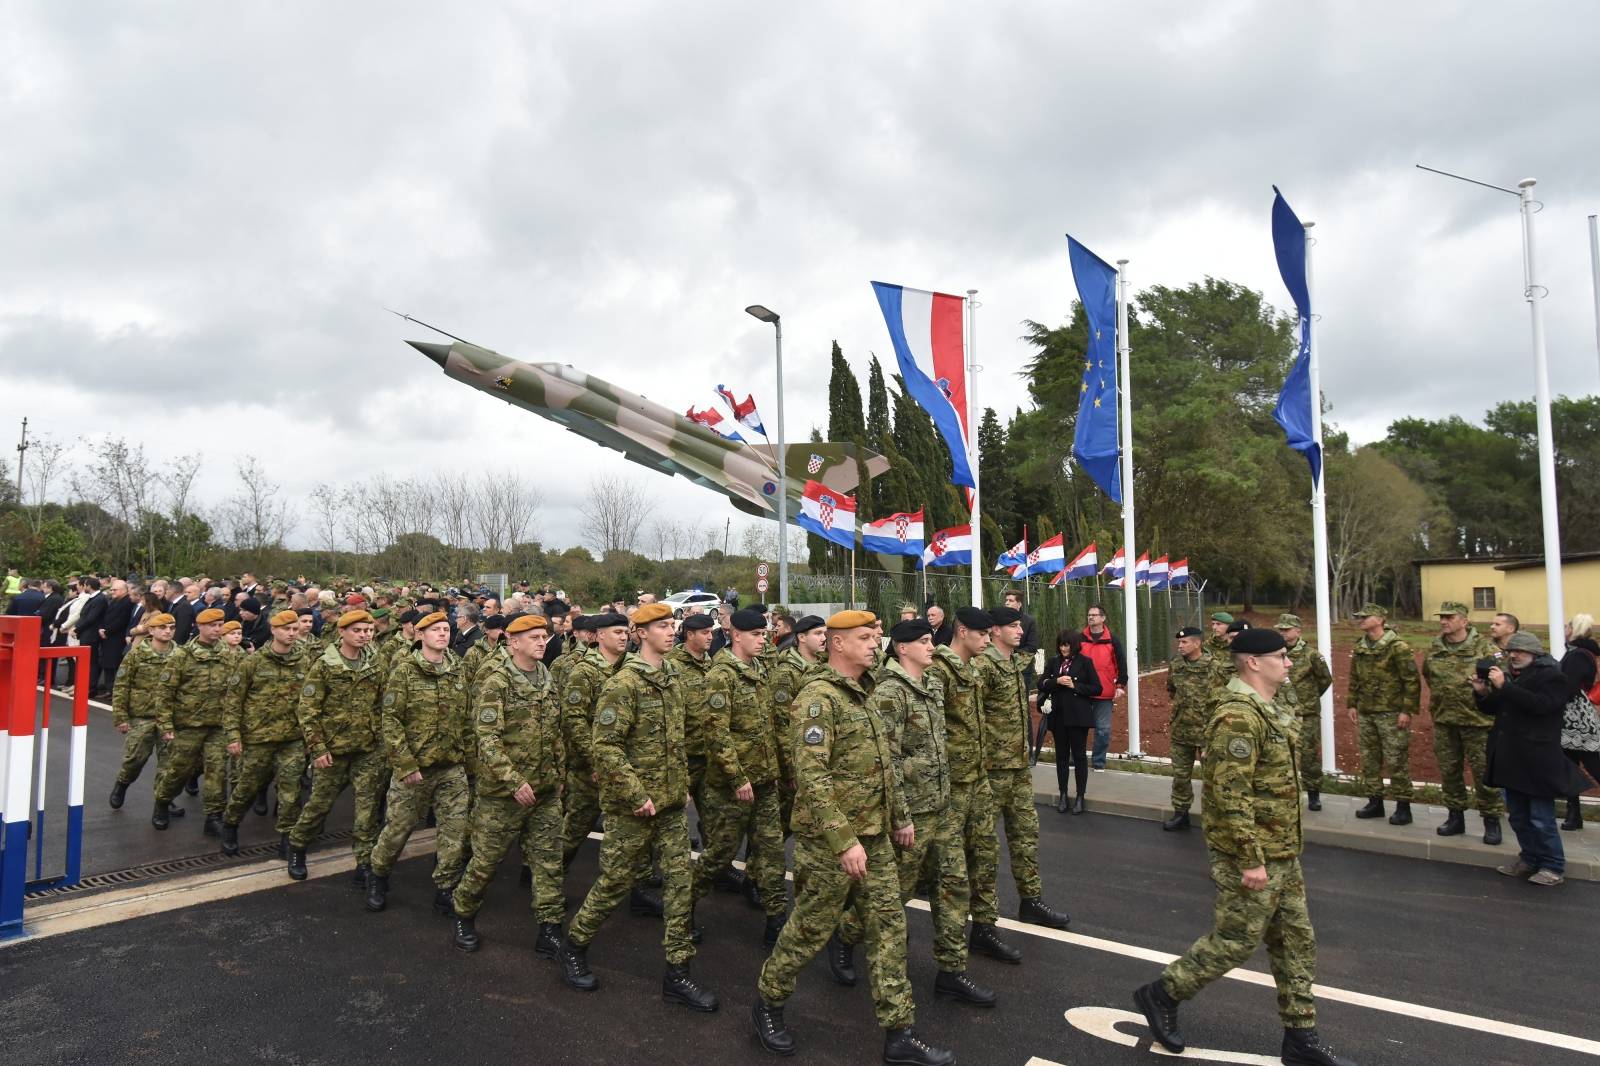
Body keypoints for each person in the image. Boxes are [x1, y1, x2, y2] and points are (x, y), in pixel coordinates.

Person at [1133, 627, 1355, 1066]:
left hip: (1283, 852)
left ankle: (1301, 1038)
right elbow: (1228, 795)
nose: (1289, 663)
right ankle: (1162, 994)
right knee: (1236, 940)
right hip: (1251, 856)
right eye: (1280, 656)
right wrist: (1250, 859)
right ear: (1253, 662)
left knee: (1296, 943)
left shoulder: (1268, 706)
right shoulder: (1237, 716)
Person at [753, 610, 953, 1066]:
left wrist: (900, 818)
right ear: (837, 644)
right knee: (809, 930)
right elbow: (812, 777)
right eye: (865, 637)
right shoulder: (819, 699)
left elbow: (887, 767)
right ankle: (768, 1002)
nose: (874, 642)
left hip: (876, 838)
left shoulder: (867, 692)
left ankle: (900, 1032)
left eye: (876, 636)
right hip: (830, 844)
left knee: (888, 930)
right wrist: (844, 842)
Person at [559, 603, 719, 1012]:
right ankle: (574, 945)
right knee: (614, 883)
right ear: (639, 632)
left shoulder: (671, 679)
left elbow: (677, 741)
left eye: (673, 625)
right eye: (662, 626)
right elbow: (605, 746)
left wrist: (680, 786)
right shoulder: (624, 683)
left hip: (667, 807)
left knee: (680, 886)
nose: (671, 632)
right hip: (632, 808)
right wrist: (636, 794)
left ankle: (678, 975)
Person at [837, 617, 996, 1007]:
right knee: (896, 892)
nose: (931, 646)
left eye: (931, 639)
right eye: (923, 641)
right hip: (913, 815)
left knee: (954, 887)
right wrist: (901, 816)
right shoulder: (890, 693)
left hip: (942, 808)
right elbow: (885, 761)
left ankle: (952, 971)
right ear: (902, 648)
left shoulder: (931, 685)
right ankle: (845, 935)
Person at [451, 614, 566, 956]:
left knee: (548, 862)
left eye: (544, 637)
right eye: (533, 638)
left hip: (544, 791)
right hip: (504, 794)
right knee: (486, 861)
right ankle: (463, 913)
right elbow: (486, 738)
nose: (542, 642)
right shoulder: (497, 680)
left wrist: (558, 775)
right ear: (514, 642)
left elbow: (556, 732)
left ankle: (549, 929)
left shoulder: (546, 676)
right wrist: (513, 780)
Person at [972, 605, 1072, 930]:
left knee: (1026, 836)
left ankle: (1031, 901)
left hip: (1017, 768)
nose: (1019, 630)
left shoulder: (1013, 663)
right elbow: (970, 720)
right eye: (1012, 626)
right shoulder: (982, 666)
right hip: (990, 771)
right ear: (995, 631)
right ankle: (983, 921)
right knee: (983, 847)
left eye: (1019, 625)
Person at [692, 608, 787, 945]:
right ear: (736, 635)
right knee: (719, 854)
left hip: (763, 780)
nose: (763, 640)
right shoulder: (722, 675)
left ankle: (777, 920)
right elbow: (716, 733)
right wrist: (737, 778)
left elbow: (768, 725)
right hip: (732, 786)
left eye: (765, 634)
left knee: (771, 852)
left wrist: (777, 770)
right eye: (757, 635)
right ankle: (684, 907)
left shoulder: (759, 669)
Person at [365, 612, 471, 914]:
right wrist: (405, 764)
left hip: (451, 766)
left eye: (446, 629)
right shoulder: (406, 671)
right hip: (415, 769)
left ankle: (446, 887)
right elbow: (392, 720)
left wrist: (468, 759)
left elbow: (465, 717)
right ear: (420, 634)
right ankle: (378, 873)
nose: (442, 633)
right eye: (435, 629)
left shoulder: (457, 668)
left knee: (455, 830)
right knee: (398, 828)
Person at [1474, 631, 1583, 886]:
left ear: (1535, 653)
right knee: (1518, 816)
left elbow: (1541, 706)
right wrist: (1481, 693)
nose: (1514, 656)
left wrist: (1506, 687)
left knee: (1541, 818)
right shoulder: (1512, 677)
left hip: (1537, 760)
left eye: (1520, 652)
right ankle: (1530, 858)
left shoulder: (1553, 677)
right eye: (1511, 651)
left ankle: (1553, 866)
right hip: (1511, 759)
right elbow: (1494, 708)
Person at [1420, 602, 1504, 844]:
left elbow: (1501, 680)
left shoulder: (1485, 648)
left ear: (1464, 621)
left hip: (1477, 722)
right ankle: (1455, 817)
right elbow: (1428, 675)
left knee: (1484, 774)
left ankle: (1491, 820)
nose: (1443, 621)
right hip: (1445, 720)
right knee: (1449, 771)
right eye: (1442, 617)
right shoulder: (1435, 648)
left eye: (1449, 617)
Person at [151, 608, 233, 834]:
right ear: (200, 626)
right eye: (212, 625)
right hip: (188, 726)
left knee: (217, 771)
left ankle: (214, 817)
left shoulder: (229, 653)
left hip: (218, 725)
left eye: (220, 625)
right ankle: (162, 802)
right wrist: (166, 725)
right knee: (178, 771)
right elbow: (165, 692)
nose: (217, 629)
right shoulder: (183, 655)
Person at [560, 612, 630, 872]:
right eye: (617, 633)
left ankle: (638, 885)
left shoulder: (630, 667)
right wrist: (595, 761)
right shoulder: (584, 671)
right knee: (577, 824)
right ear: (600, 635)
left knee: (630, 828)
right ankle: (548, 875)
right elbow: (574, 720)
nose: (624, 637)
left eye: (625, 632)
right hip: (588, 767)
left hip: (621, 763)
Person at [1347, 603, 1420, 826]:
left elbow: (1411, 680)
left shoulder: (1397, 646)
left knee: (1396, 761)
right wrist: (1352, 704)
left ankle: (1403, 807)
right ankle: (1375, 802)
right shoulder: (1360, 646)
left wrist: (1406, 710)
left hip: (1391, 712)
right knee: (1370, 760)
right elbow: (1354, 677)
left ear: (1380, 619)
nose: (1360, 620)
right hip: (1367, 711)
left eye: (1365, 617)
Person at [108, 612, 181, 817]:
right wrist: (120, 717)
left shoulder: (180, 655)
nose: (168, 631)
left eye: (172, 627)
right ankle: (122, 784)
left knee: (170, 764)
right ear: (151, 630)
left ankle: (164, 801)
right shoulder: (137, 654)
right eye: (163, 627)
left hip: (170, 718)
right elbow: (122, 685)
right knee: (135, 759)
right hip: (142, 716)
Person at [1038, 629, 1102, 814]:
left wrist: (1075, 685)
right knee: (1061, 757)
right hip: (1058, 717)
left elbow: (1096, 688)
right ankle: (1063, 795)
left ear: (1074, 645)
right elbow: (1041, 683)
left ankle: (1080, 796)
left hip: (1078, 717)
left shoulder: (1085, 663)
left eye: (1066, 644)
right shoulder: (1054, 662)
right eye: (1061, 644)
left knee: (1080, 756)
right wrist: (1056, 681)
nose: (1063, 648)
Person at [1275, 614, 1333, 812]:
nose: (1283, 632)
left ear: (1298, 631)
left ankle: (1313, 794)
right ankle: (1287, 794)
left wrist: (1309, 698)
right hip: (1282, 712)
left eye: (1287, 629)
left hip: (1306, 713)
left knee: (1309, 755)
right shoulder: (1275, 653)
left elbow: (1325, 679)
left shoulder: (1311, 655)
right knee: (1284, 755)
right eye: (1281, 629)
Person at [1162, 626, 1211, 830]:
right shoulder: (1176, 663)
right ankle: (1181, 814)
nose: (1180, 646)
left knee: (1212, 778)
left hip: (1207, 732)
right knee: (1181, 776)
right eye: (1179, 642)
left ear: (1197, 643)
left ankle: (1213, 819)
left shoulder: (1214, 665)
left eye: (1184, 642)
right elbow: (1171, 689)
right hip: (1181, 730)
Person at [1557, 614, 1600, 830]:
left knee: (1591, 764)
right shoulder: (1582, 652)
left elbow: (1569, 686)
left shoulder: (1578, 655)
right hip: (1574, 717)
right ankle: (1574, 815)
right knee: (1570, 765)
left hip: (1575, 718)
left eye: (1567, 625)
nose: (1564, 627)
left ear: (1575, 629)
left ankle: (1574, 815)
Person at [1079, 604, 1127, 771]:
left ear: (1103, 618)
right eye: (1089, 615)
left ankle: (1098, 763)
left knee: (1103, 730)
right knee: (1077, 727)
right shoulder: (1080, 639)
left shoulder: (1113, 640)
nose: (1090, 617)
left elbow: (1121, 663)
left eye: (1094, 615)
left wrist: (1121, 684)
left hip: (1104, 692)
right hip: (1082, 691)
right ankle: (1074, 760)